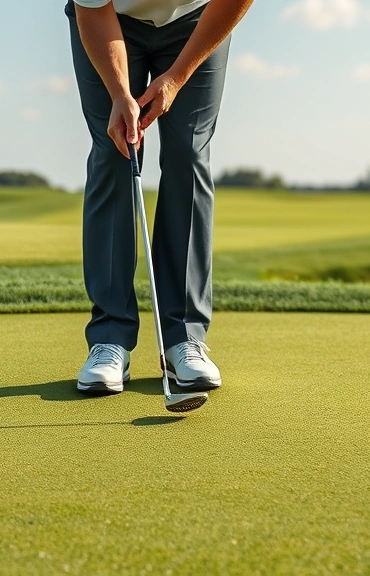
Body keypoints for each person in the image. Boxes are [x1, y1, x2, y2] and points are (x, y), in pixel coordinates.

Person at [67, 0, 253, 395]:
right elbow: (93, 10)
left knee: (188, 151)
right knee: (115, 149)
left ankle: (184, 337)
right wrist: (119, 93)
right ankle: (110, 339)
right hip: (111, 19)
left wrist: (177, 76)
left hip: (198, 19)